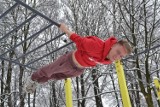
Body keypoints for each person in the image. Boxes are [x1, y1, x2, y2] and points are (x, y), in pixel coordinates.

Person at [24, 23, 133, 93]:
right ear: (113, 45)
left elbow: (93, 60)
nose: (117, 57)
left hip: (78, 71)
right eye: (118, 52)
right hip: (69, 61)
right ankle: (32, 78)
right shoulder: (97, 45)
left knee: (54, 76)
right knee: (48, 71)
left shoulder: (108, 60)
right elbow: (79, 40)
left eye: (121, 56)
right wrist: (65, 30)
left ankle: (36, 83)